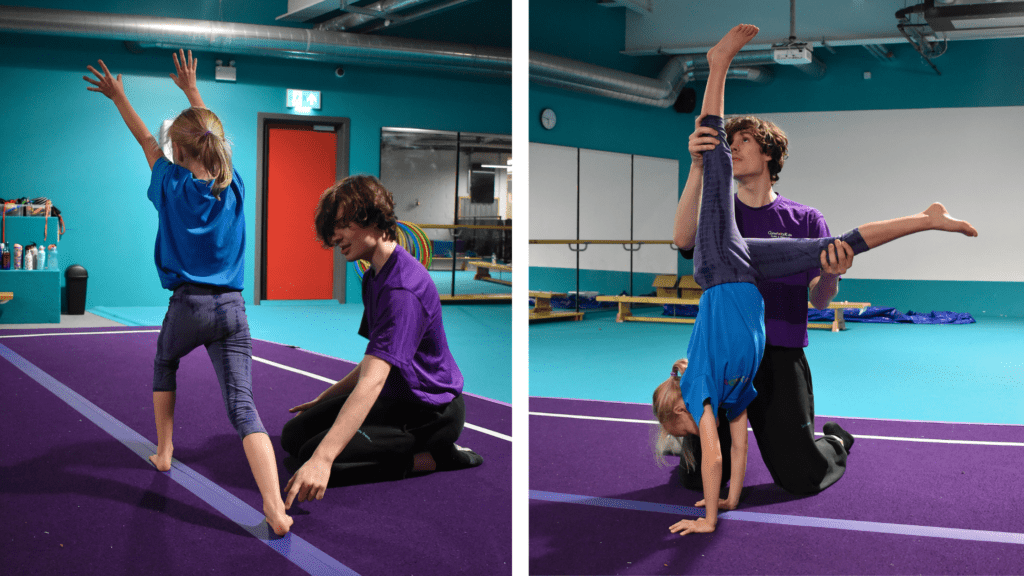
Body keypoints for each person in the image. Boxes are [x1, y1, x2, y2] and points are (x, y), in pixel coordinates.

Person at [653, 24, 977, 537]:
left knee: (802, 478)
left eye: (743, 143)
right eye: (729, 142)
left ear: (770, 157)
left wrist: (830, 275)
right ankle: (717, 68)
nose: (733, 149)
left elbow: (822, 297)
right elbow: (682, 238)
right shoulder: (723, 219)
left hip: (778, 350)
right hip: (730, 344)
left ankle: (925, 217)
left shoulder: (804, 217)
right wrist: (698, 163)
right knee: (697, 483)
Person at [84, 50, 293, 536]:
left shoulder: (170, 183)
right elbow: (211, 136)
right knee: (244, 408)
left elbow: (143, 138)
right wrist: (192, 90)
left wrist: (120, 97)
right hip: (233, 311)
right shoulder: (233, 184)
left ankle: (164, 450)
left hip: (188, 305)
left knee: (164, 362)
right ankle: (274, 507)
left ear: (178, 153)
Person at [280, 175, 482, 508]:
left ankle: (436, 457)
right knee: (294, 435)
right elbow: (374, 360)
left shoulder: (401, 290)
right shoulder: (375, 276)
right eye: (332, 228)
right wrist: (324, 398)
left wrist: (323, 459)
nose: (334, 237)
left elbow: (372, 382)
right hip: (397, 396)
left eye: (342, 225)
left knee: (314, 458)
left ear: (373, 219)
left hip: (429, 411)